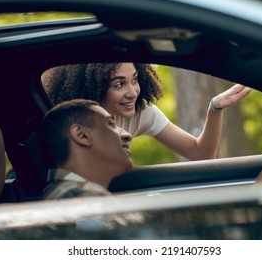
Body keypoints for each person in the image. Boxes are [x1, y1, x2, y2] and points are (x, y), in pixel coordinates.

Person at [41, 63, 251, 161]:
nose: (133, 92)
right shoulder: (68, 121)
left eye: (134, 80)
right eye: (119, 85)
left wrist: (214, 109)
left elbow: (200, 154)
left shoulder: (141, 112)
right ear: (93, 89)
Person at [40, 98, 133, 200]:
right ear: (82, 135)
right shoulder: (81, 197)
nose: (127, 135)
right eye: (110, 124)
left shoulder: (65, 193)